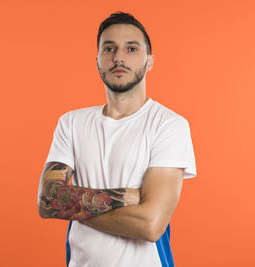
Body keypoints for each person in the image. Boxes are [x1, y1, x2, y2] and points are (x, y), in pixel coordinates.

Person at [37, 11, 196, 267]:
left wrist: (70, 206)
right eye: (109, 49)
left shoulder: (168, 124)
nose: (119, 57)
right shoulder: (71, 123)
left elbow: (150, 224)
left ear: (150, 60)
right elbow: (47, 202)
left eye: (132, 49)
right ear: (97, 59)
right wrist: (132, 197)